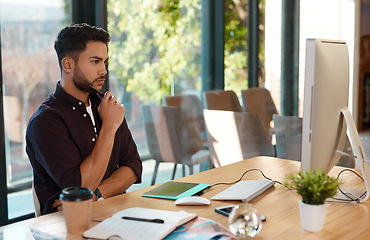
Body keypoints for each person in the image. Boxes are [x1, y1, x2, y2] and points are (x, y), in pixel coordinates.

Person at [26, 23, 142, 215]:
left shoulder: (106, 106)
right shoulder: (45, 122)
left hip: (113, 212)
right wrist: (110, 127)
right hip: (64, 224)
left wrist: (97, 194)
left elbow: (133, 165)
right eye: (95, 61)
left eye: (105, 62)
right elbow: (79, 186)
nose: (103, 71)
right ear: (68, 64)